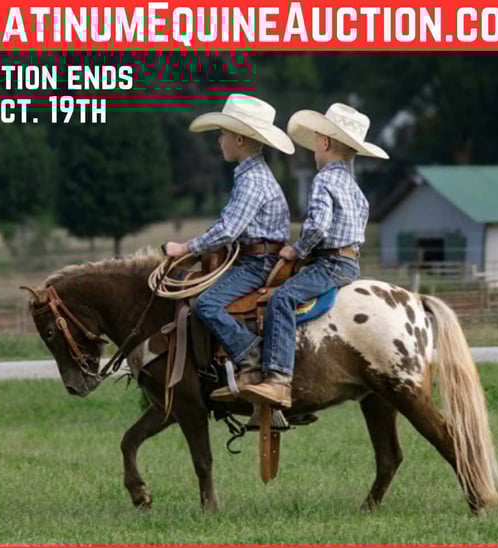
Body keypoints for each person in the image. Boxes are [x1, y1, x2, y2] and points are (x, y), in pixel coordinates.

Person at [241, 103, 389, 408]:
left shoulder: (324, 180)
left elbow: (318, 226)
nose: (313, 151)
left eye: (314, 144)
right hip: (350, 264)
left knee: (282, 299)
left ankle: (278, 379)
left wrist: (297, 250)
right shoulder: (354, 188)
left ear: (324, 143)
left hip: (329, 263)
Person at [163, 94, 294, 401]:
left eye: (223, 134)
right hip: (255, 257)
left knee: (206, 304)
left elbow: (228, 231)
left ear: (239, 139)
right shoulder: (250, 176)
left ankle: (249, 355)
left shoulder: (253, 180)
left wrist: (185, 248)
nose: (219, 140)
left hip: (257, 263)